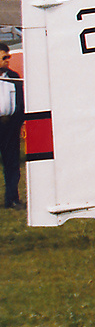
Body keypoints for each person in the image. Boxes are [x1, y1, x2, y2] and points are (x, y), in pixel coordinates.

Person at [0, 44, 23, 209]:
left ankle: (12, 199)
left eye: (8, 57)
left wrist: (18, 123)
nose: (8, 60)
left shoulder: (14, 77)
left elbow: (21, 104)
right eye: (4, 57)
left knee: (12, 163)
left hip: (9, 127)